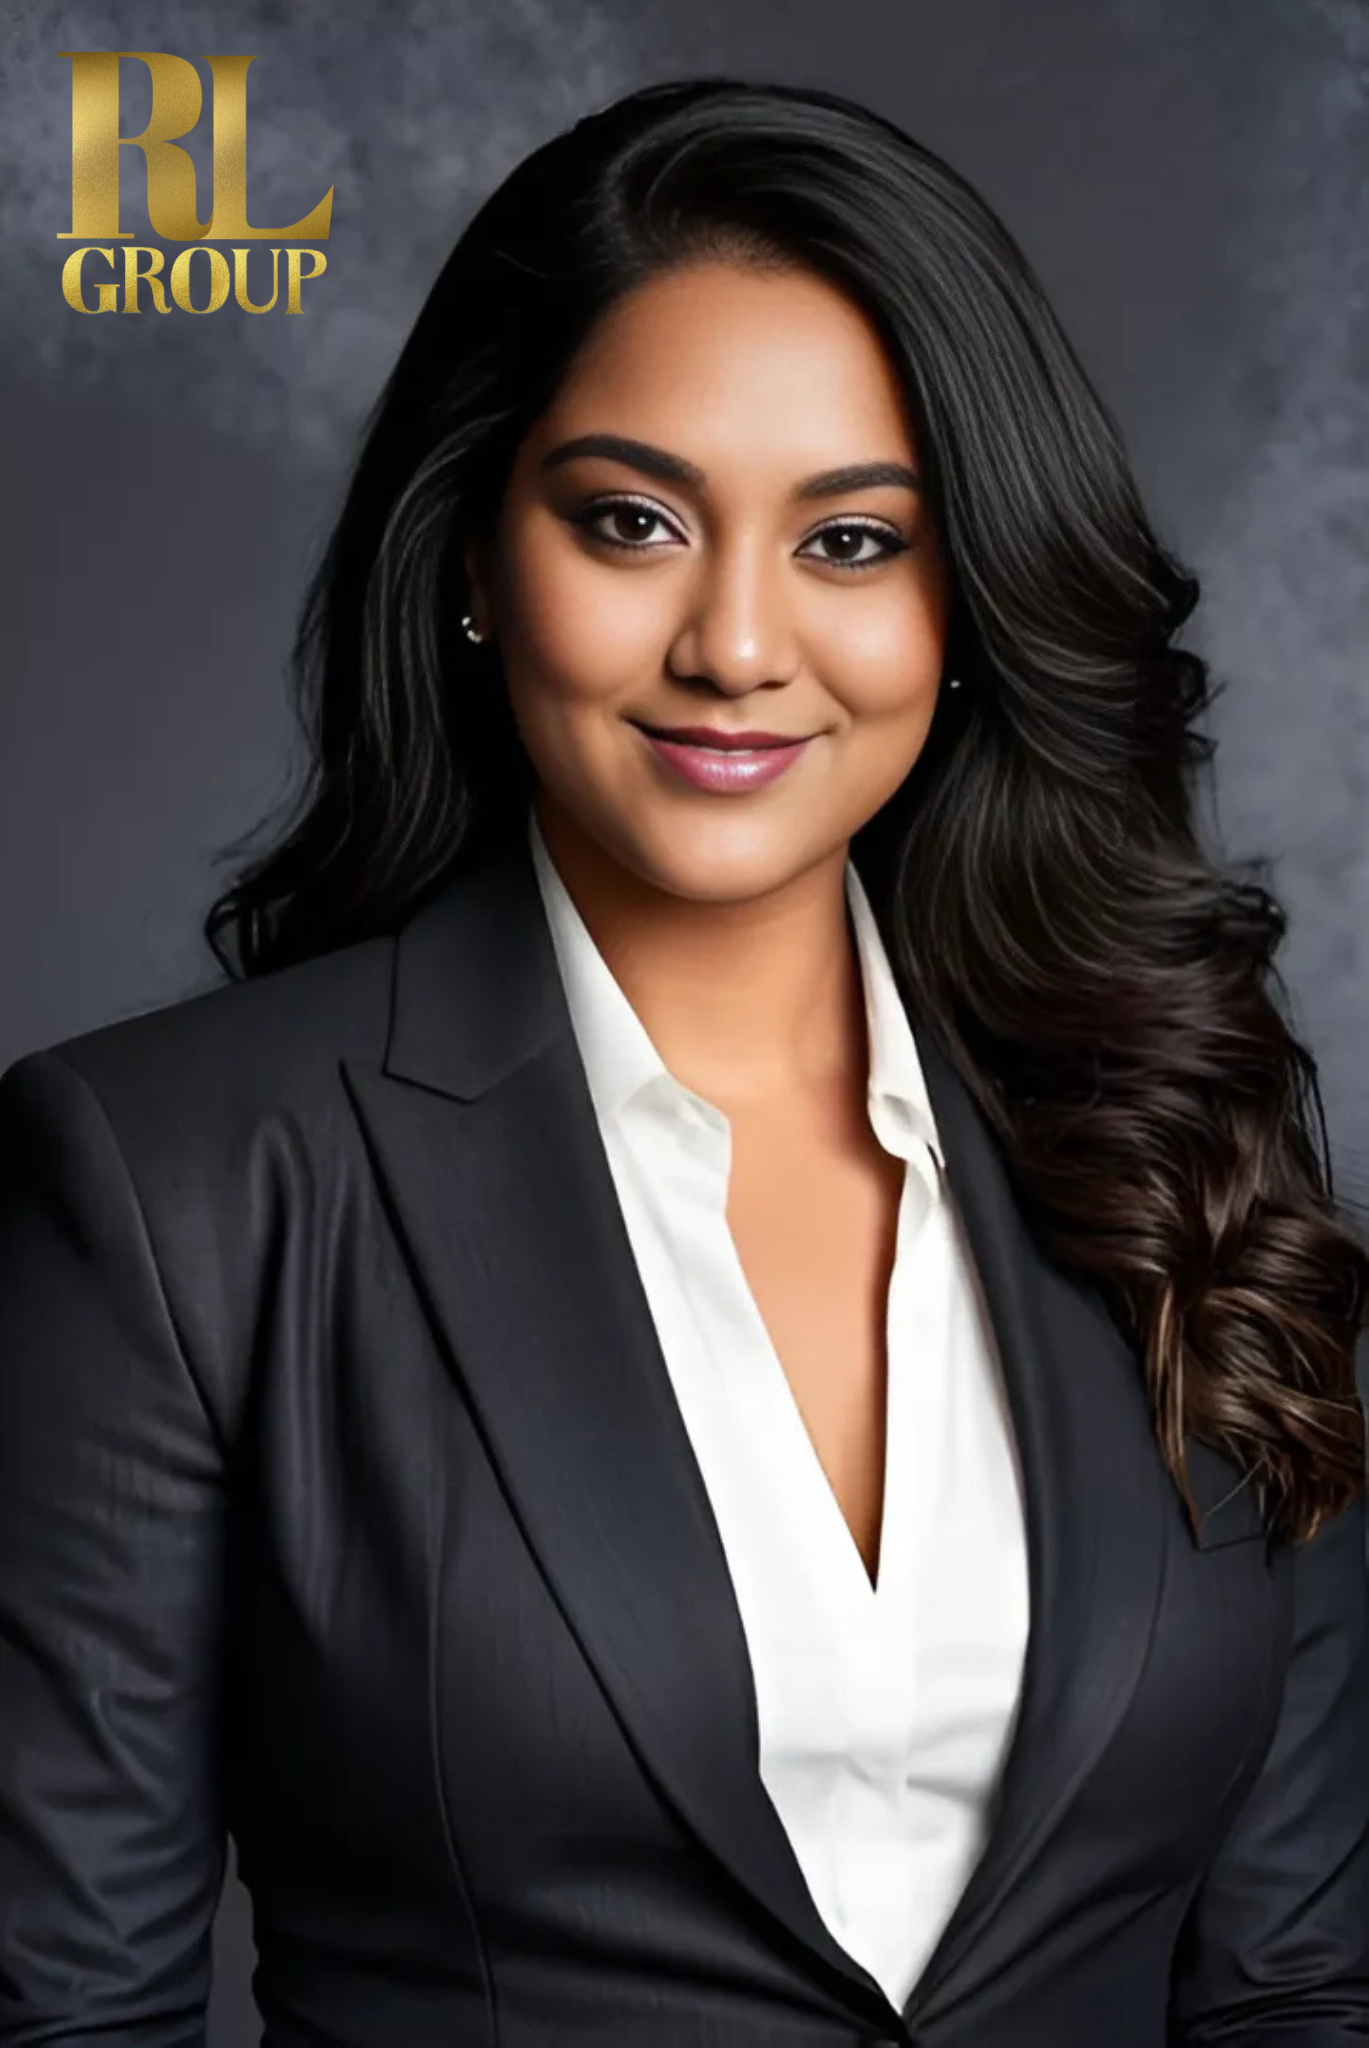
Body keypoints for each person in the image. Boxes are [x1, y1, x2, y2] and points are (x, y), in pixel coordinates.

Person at [1, 74, 1366, 2048]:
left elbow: (1301, 1985)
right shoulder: (171, 1184)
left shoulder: (1188, 1145)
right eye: (631, 520)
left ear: (966, 597)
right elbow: (67, 2019)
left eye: (853, 539)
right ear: (475, 558)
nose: (737, 641)